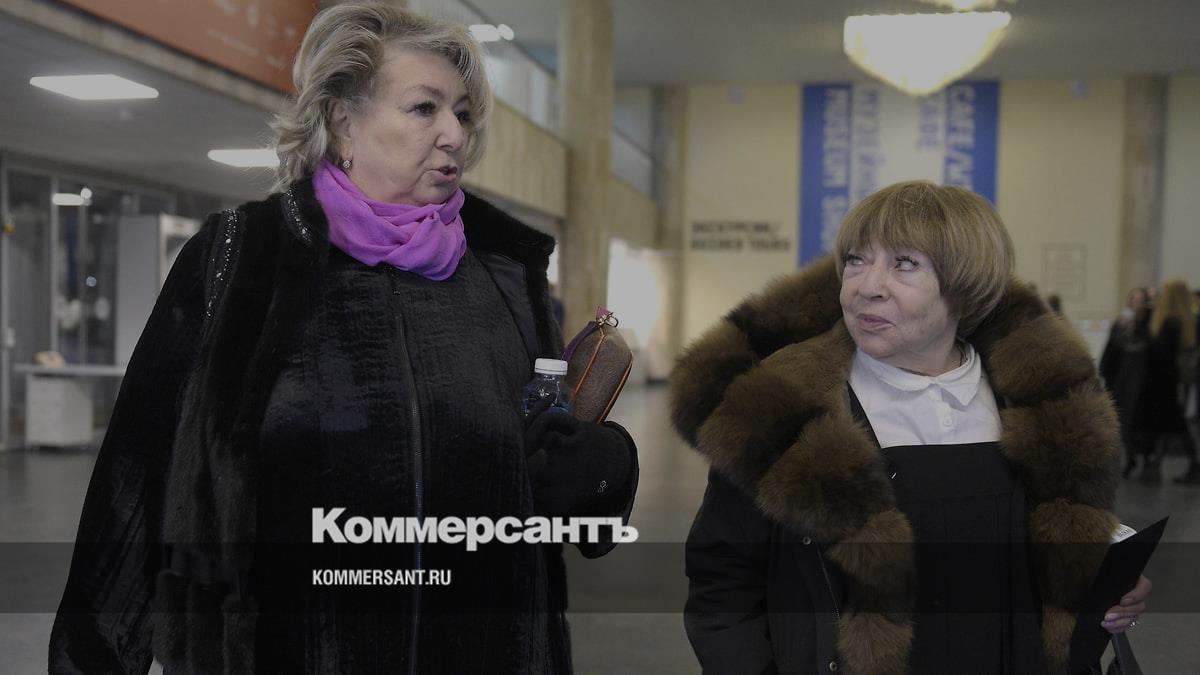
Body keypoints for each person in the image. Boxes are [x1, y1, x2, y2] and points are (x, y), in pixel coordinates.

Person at [49, 3, 638, 673]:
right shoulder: (240, 263)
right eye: (424, 108)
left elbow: (549, 468)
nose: (454, 134)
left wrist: (607, 467)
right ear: (342, 120)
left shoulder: (503, 273)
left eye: (463, 113)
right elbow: (133, 489)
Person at [672, 181, 1149, 674]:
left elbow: (1061, 541)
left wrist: (1104, 580)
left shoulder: (1040, 408)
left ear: (965, 285)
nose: (867, 286)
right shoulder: (777, 407)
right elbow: (722, 584)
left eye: (904, 264)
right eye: (855, 260)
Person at [1133, 278, 1198, 483]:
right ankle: (1161, 465)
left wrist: (1142, 326)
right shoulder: (1185, 321)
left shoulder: (1170, 322)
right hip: (1173, 380)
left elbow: (1159, 350)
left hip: (1162, 381)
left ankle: (1156, 465)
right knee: (1174, 425)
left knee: (1168, 425)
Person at [1099, 287, 1152, 477]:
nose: (1138, 304)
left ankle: (1141, 457)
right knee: (1123, 419)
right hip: (1122, 379)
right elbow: (1111, 351)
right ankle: (1130, 457)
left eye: (1141, 300)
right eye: (1135, 300)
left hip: (1141, 381)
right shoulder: (1121, 323)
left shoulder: (1149, 324)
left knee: (1136, 421)